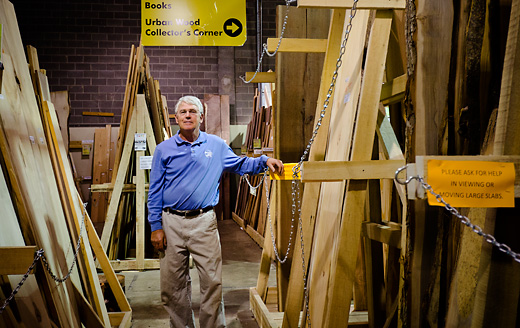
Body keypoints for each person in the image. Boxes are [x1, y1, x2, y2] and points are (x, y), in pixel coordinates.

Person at [147, 95, 284, 328]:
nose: (188, 115)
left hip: (204, 222)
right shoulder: (163, 150)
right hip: (171, 222)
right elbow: (155, 191)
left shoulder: (216, 146)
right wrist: (156, 227)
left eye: (192, 111)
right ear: (176, 118)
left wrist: (264, 161)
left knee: (212, 282)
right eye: (183, 112)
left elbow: (240, 165)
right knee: (172, 287)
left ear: (201, 117)